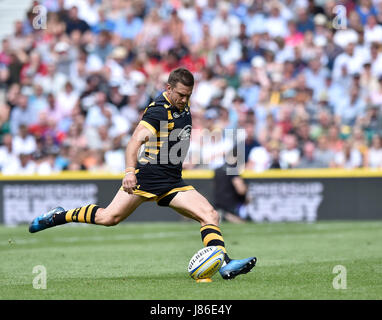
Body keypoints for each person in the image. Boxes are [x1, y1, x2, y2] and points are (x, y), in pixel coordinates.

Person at [29, 68, 256, 280]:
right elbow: (134, 142)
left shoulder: (182, 106)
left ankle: (224, 263)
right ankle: (57, 216)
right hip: (148, 177)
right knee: (109, 218)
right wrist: (129, 172)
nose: (184, 100)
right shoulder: (158, 110)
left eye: (188, 95)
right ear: (168, 89)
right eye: (180, 95)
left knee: (210, 215)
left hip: (172, 181)